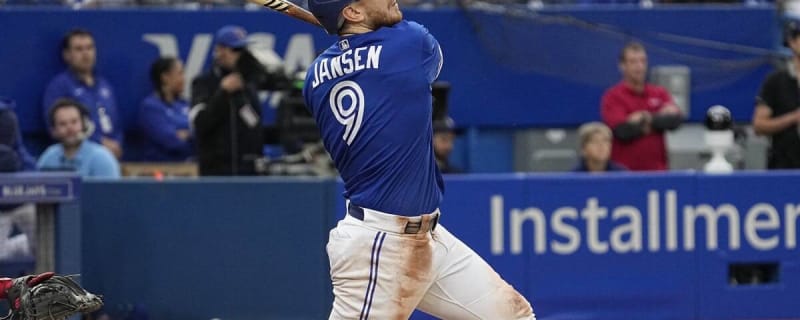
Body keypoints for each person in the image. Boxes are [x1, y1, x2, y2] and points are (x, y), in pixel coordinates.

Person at [303, 0, 535, 318]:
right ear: (352, 12)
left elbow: (366, 65)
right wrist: (366, 39)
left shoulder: (315, 75)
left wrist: (356, 38)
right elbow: (425, 59)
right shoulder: (408, 42)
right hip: (380, 245)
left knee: (514, 315)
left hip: (427, 238)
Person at [190, 25, 289, 175]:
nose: (240, 55)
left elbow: (253, 124)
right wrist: (223, 93)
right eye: (235, 50)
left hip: (247, 170)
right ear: (220, 51)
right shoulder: (204, 83)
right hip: (216, 171)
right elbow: (200, 123)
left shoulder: (247, 84)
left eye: (242, 50)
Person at [600, 41, 683, 171]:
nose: (639, 67)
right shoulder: (613, 96)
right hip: (625, 173)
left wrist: (644, 118)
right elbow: (622, 131)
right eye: (633, 62)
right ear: (622, 66)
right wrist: (657, 120)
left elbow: (675, 120)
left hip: (658, 171)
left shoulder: (659, 92)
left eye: (642, 61)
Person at [42, 28, 123, 159]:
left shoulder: (104, 85)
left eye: (89, 48)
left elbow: (115, 122)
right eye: (79, 49)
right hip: (77, 159)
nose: (86, 54)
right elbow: (54, 126)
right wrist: (99, 143)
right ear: (67, 55)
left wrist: (117, 143)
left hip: (112, 157)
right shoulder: (59, 87)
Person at [751, 21, 800, 169]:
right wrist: (793, 117)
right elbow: (759, 125)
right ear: (792, 42)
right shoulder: (776, 81)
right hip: (785, 166)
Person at [37, 99, 120, 178]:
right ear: (53, 130)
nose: (70, 128)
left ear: (84, 125)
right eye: (62, 124)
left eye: (74, 122)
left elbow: (113, 192)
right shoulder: (48, 157)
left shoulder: (102, 159)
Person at [137, 57, 193, 162]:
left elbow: (201, 137)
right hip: (160, 171)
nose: (183, 79)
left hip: (189, 169)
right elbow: (171, 142)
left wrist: (187, 134)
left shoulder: (185, 104)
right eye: (180, 73)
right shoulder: (150, 107)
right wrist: (190, 135)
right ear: (165, 77)